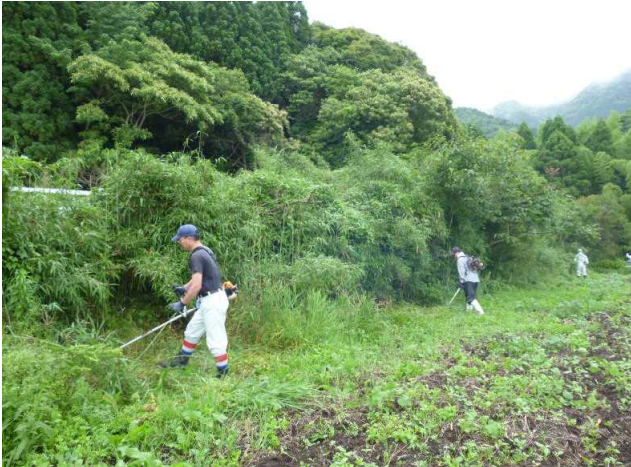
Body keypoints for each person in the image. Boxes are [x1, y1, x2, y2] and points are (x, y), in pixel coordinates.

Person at [158, 224, 231, 378]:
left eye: (180, 239)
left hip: (212, 302)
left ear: (189, 239)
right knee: (191, 332)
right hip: (210, 300)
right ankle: (181, 363)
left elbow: (197, 285)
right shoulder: (205, 251)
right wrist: (184, 287)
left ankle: (223, 373)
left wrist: (183, 303)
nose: (179, 242)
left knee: (215, 340)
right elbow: (198, 279)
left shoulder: (196, 256)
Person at [451, 247, 484, 315]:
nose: (454, 256)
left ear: (457, 253)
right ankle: (469, 312)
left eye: (454, 254)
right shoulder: (468, 257)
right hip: (475, 280)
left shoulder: (460, 259)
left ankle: (481, 312)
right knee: (469, 296)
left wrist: (461, 282)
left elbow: (462, 272)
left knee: (470, 297)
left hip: (468, 280)